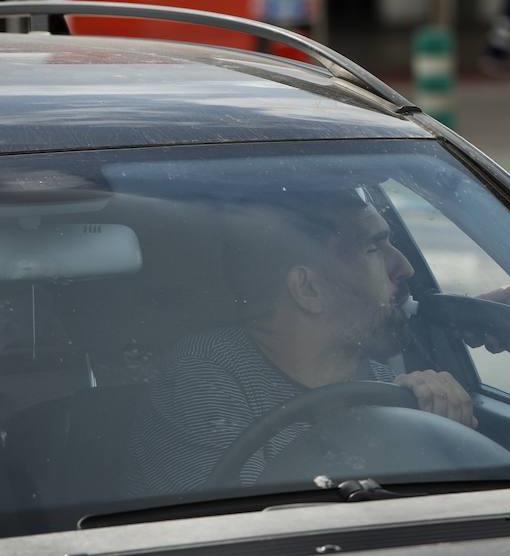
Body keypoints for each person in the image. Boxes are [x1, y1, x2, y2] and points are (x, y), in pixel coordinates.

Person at [128, 191, 475, 494]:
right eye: (373, 248)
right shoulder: (204, 376)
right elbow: (242, 532)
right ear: (309, 290)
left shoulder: (382, 382)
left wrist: (444, 430)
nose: (404, 267)